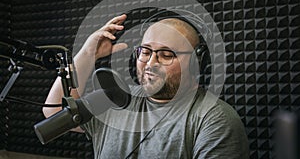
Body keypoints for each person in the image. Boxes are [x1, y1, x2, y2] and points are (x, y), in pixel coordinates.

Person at [43, 14, 249, 158]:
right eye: (145, 52)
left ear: (196, 62)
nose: (150, 63)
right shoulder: (114, 99)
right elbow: (53, 114)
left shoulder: (214, 118)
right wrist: (87, 54)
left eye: (166, 55)